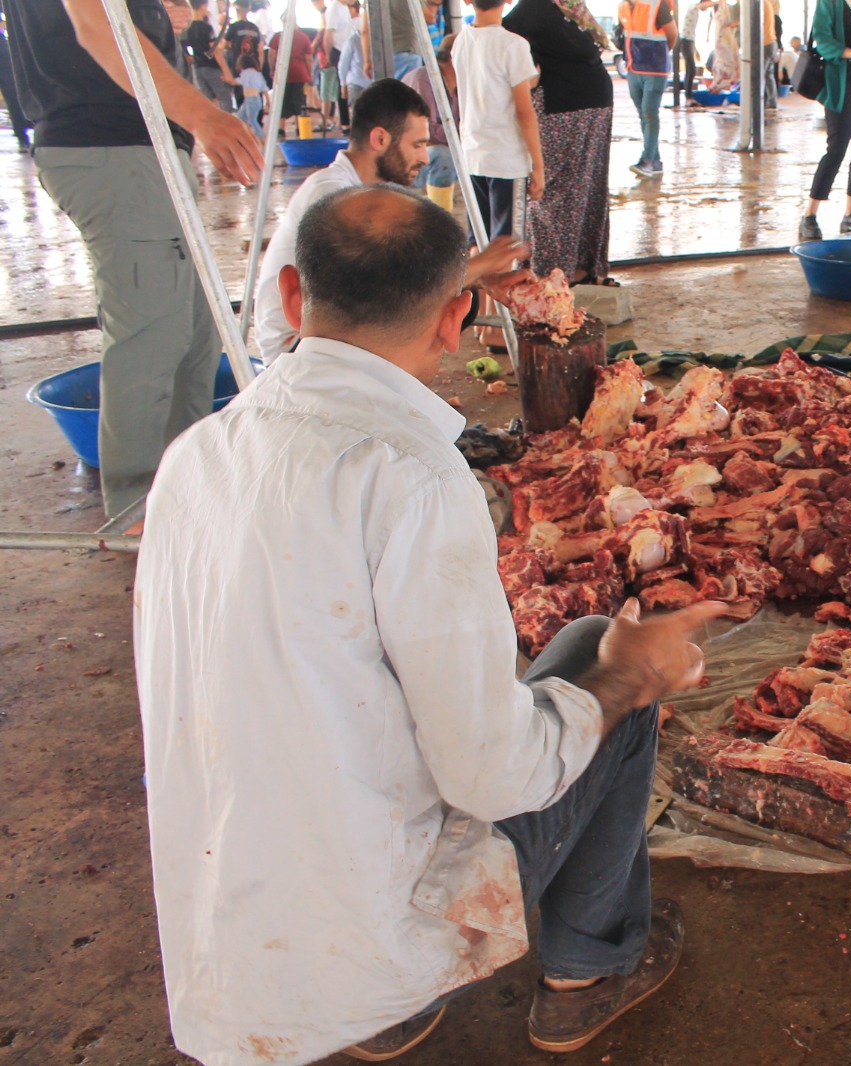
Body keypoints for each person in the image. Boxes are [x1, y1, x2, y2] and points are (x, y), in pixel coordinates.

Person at [134, 183, 724, 1065]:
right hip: (370, 932)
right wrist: (632, 675)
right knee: (603, 662)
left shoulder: (195, 456)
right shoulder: (409, 474)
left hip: (233, 942)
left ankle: (389, 1015)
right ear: (455, 319)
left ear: (292, 297)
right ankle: (585, 972)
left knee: (543, 664)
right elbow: (496, 776)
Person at [7, 0, 261, 518]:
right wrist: (203, 114)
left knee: (194, 335)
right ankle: (138, 514)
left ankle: (186, 491)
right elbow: (93, 22)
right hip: (109, 143)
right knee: (154, 335)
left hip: (144, 146)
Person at [251, 78, 524, 361]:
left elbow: (416, 270)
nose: (424, 158)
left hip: (333, 329)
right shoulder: (333, 193)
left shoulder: (372, 192)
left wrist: (482, 279)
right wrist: (483, 264)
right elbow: (393, 289)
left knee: (463, 299)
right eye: (417, 145)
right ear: (380, 139)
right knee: (424, 302)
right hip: (296, 345)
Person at [505, 0, 616, 282]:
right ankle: (565, 271)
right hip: (575, 107)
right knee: (568, 191)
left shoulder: (550, 9)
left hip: (579, 109)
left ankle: (568, 271)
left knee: (572, 190)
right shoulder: (546, 9)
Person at [455, 0, 544, 241]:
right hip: (507, 160)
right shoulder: (513, 45)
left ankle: (478, 280)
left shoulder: (461, 41)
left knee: (479, 243)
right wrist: (538, 165)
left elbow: (486, 85)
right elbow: (524, 111)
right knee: (507, 247)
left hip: (473, 156)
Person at [799, 0, 851, 240]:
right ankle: (809, 215)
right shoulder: (829, 2)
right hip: (841, 79)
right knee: (836, 148)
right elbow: (822, 38)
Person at [619, 0, 677, 176]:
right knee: (644, 115)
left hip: (655, 68)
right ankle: (655, 161)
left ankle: (646, 161)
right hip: (633, 67)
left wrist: (660, 54)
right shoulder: (623, 7)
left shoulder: (658, 5)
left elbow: (673, 35)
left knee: (649, 112)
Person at [400, 31, 457, 209]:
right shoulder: (424, 78)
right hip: (407, 158)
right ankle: (440, 217)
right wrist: (464, 135)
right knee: (444, 156)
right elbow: (428, 132)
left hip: (438, 150)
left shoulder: (460, 82)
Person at [185, 0, 233, 112]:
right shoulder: (206, 28)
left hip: (197, 67)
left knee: (207, 100)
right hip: (211, 66)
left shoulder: (188, 27)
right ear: (203, 6)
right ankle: (226, 125)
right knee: (224, 98)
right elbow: (215, 50)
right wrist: (226, 71)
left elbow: (185, 45)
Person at [267, 22, 313, 136]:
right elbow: (309, 58)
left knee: (282, 100)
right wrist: (309, 73)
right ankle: (299, 127)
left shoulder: (278, 37)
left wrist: (272, 69)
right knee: (299, 101)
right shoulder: (303, 37)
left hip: (283, 72)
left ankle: (281, 128)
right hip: (300, 73)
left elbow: (272, 54)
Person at [362, 0, 426, 82]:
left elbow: (365, 31)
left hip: (380, 56)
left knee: (384, 92)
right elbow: (426, 17)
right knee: (408, 91)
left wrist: (367, 61)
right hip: (409, 50)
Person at [0, 17, 33, 148]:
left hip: (2, 53)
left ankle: (22, 136)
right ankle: (22, 137)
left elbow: (3, 23)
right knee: (12, 94)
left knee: (13, 94)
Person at [223, 0, 263, 107]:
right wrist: (260, 66)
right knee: (255, 93)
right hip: (254, 64)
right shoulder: (254, 27)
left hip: (239, 65)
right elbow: (260, 48)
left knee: (241, 96)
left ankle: (245, 120)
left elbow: (224, 44)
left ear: (237, 10)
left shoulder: (234, 27)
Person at [229, 50, 269, 134]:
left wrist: (228, 79)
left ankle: (260, 137)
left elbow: (235, 81)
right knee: (242, 117)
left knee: (252, 121)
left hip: (251, 100)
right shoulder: (257, 74)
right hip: (253, 100)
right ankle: (249, 134)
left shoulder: (247, 73)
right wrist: (268, 101)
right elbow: (264, 88)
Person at [339, 20, 373, 106]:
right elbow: (343, 64)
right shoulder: (352, 40)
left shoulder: (353, 40)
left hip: (367, 85)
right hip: (358, 86)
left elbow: (343, 64)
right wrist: (343, 84)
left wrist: (343, 84)